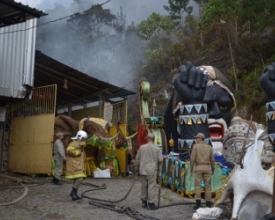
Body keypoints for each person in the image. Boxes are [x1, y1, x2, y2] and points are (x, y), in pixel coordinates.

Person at [135, 133, 163, 210]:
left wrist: (137, 169)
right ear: (153, 140)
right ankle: (151, 203)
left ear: (147, 139)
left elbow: (137, 159)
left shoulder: (142, 147)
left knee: (144, 186)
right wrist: (158, 165)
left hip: (143, 169)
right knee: (151, 186)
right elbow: (160, 159)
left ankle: (144, 202)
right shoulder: (157, 149)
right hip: (152, 170)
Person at [190, 132, 215, 210]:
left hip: (199, 167)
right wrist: (213, 168)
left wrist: (191, 168)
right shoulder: (209, 147)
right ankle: (208, 203)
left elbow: (192, 158)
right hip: (207, 168)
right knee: (208, 186)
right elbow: (212, 159)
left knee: (198, 185)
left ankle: (198, 203)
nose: (196, 139)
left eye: (197, 138)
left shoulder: (195, 146)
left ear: (200, 139)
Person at [65, 130, 88, 201]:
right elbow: (69, 151)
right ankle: (73, 193)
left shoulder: (81, 145)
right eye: (84, 138)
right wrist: (78, 152)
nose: (84, 139)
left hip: (78, 165)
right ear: (80, 137)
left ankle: (74, 193)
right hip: (74, 165)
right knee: (79, 179)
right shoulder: (73, 144)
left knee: (78, 179)